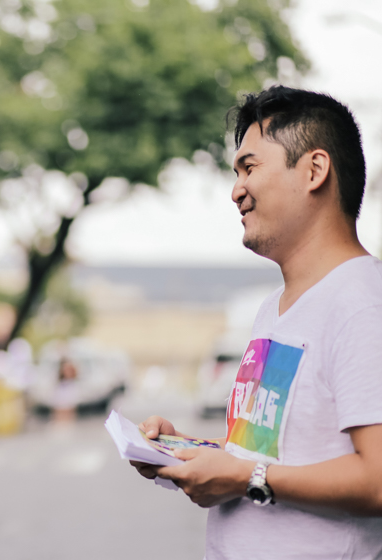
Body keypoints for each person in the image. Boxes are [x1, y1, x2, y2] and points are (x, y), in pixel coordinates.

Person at [132, 86, 382, 558]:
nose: (236, 190)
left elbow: (378, 482)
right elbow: (269, 456)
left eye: (250, 167)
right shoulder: (274, 307)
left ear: (314, 170)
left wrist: (248, 477)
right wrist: (185, 451)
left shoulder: (362, 306)